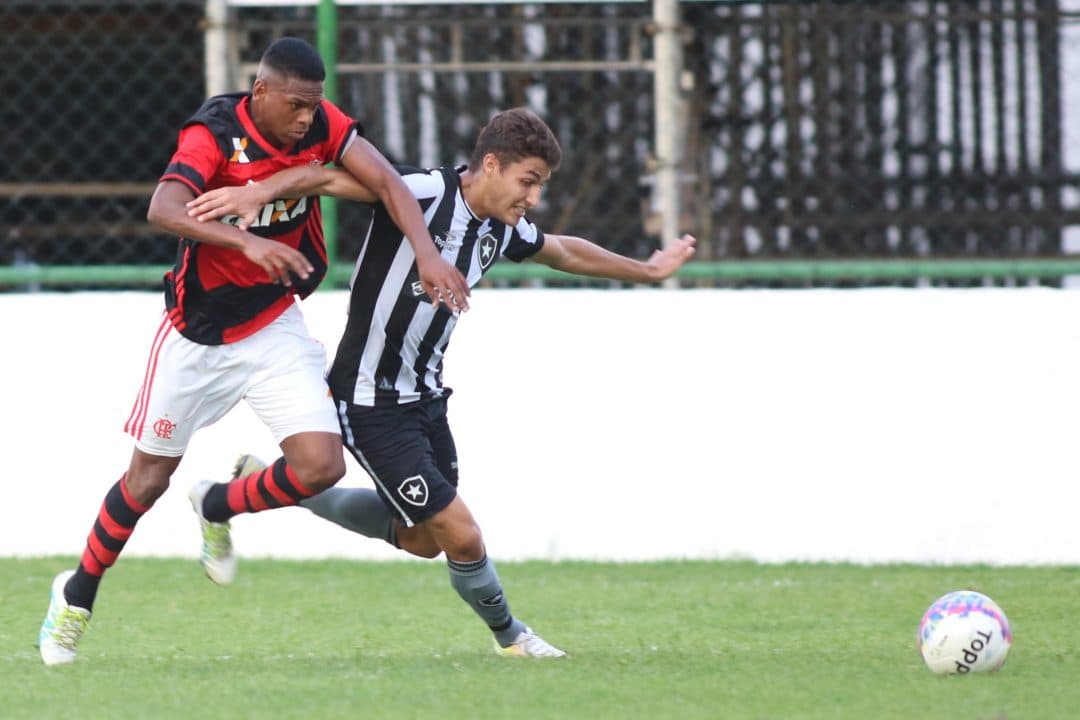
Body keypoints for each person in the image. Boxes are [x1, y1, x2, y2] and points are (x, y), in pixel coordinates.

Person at [185, 107, 697, 658]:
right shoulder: (423, 192)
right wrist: (258, 192)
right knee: (462, 533)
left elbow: (563, 250)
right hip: (369, 401)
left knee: (422, 539)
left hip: (426, 399)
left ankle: (233, 497)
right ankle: (513, 637)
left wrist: (646, 270)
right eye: (528, 181)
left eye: (540, 186)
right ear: (491, 165)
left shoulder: (501, 227)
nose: (533, 197)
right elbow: (324, 178)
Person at [37, 37, 471, 666]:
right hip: (195, 335)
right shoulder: (213, 133)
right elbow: (163, 208)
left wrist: (427, 256)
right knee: (145, 482)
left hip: (272, 326)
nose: (306, 118)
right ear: (261, 91)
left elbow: (387, 182)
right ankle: (75, 596)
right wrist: (245, 243)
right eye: (296, 105)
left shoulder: (322, 125)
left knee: (321, 467)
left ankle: (216, 502)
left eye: (314, 106)